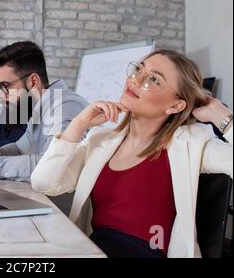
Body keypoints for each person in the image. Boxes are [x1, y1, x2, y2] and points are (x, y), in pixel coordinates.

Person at [31, 50, 233, 258]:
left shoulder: (192, 143)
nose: (136, 79)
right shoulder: (100, 140)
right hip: (95, 249)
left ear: (175, 105)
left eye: (154, 79)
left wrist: (221, 115)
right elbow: (43, 183)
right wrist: (79, 124)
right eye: (138, 69)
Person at [0, 41, 88, 181]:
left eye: (6, 86)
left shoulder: (65, 105)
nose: (0, 93)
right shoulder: (40, 107)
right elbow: (19, 148)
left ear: (33, 82)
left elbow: (47, 165)